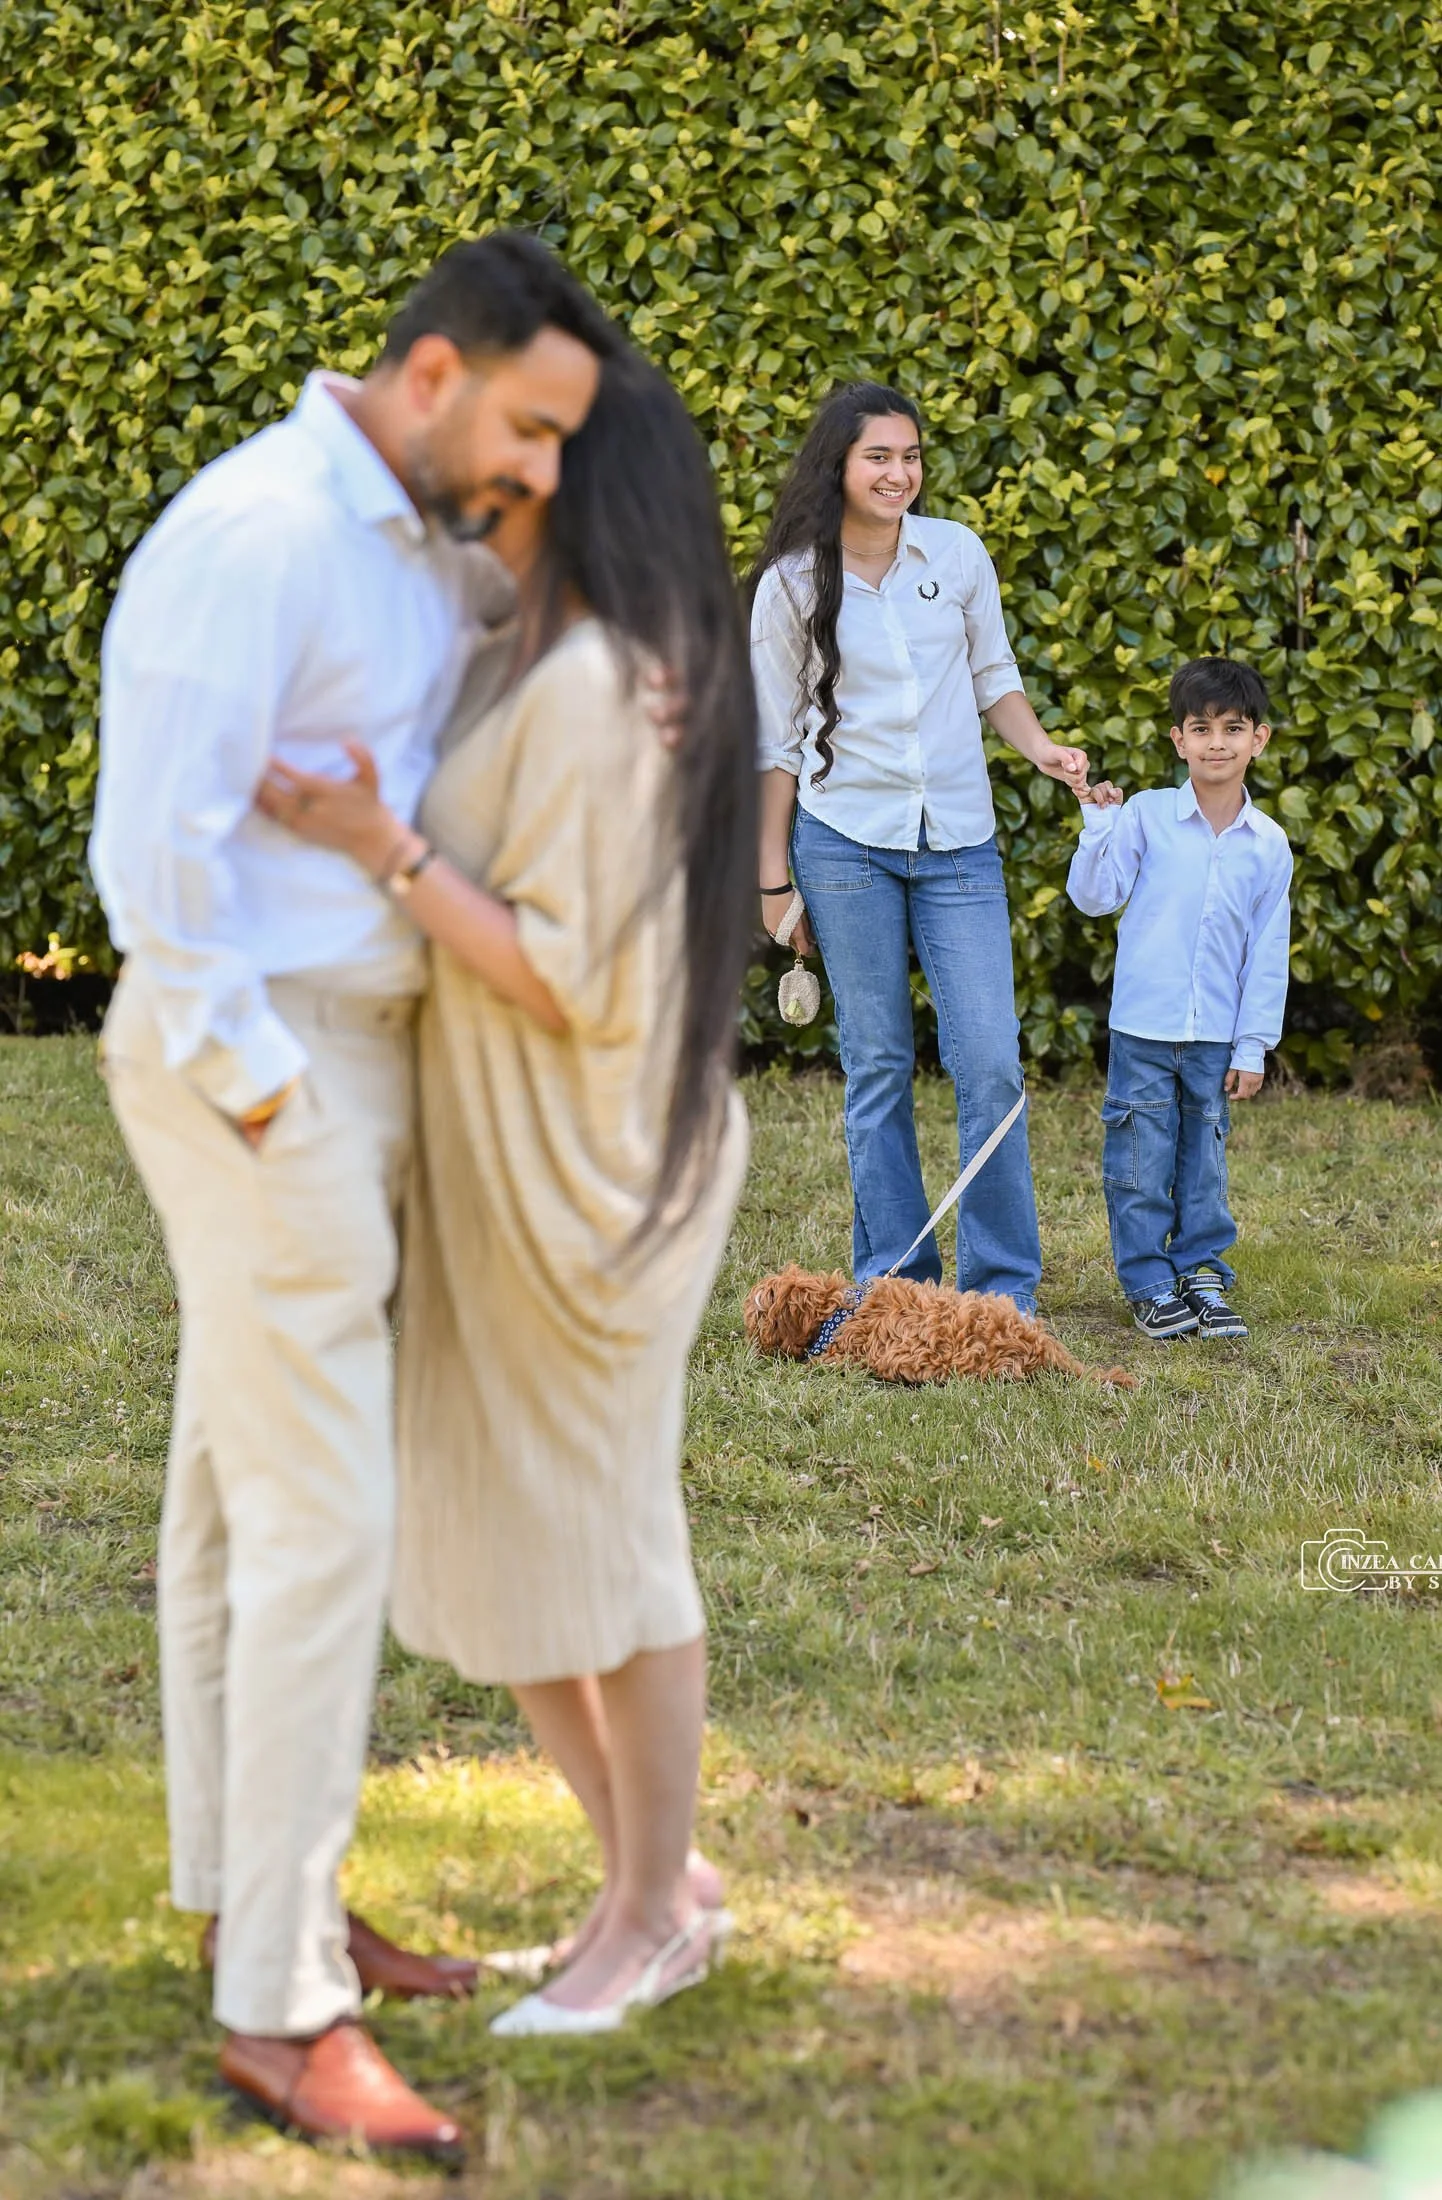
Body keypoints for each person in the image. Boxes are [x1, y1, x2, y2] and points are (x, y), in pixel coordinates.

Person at [90, 233, 625, 2156]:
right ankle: (281, 2015)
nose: (546, 471)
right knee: (326, 1524)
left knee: (237, 1511)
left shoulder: (415, 539)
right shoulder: (254, 538)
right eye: (533, 426)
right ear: (427, 373)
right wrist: (260, 1108)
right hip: (270, 1066)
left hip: (360, 1053)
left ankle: (259, 1899)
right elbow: (152, 867)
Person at [254, 347, 755, 2036]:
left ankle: (644, 1920)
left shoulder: (610, 682)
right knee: (502, 1530)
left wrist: (375, 845)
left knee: (607, 1541)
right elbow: (387, 486)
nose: (495, 465)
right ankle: (653, 1883)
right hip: (493, 1150)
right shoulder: (498, 629)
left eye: (536, 448)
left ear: (577, 483)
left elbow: (568, 979)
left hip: (596, 1162)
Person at [750, 382, 1089, 1315]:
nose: (900, 473)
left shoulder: (957, 554)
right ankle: (897, 1286)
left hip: (959, 849)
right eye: (879, 458)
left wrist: (1043, 750)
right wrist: (773, 883)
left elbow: (995, 678)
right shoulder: (789, 586)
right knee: (880, 1064)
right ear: (840, 467)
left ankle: (1001, 1293)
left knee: (988, 1061)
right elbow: (773, 746)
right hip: (846, 847)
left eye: (910, 456)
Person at [1066, 656, 1292, 1342]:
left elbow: (1266, 953)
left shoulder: (1268, 846)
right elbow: (1094, 898)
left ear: (1260, 739)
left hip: (1216, 1034)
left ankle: (1200, 1271)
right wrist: (1096, 823)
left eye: (1232, 727)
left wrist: (1253, 1043)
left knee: (1204, 1159)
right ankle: (1147, 1280)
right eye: (1201, 728)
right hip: (1143, 1025)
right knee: (1139, 1156)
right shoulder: (1146, 816)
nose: (1216, 742)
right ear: (1178, 741)